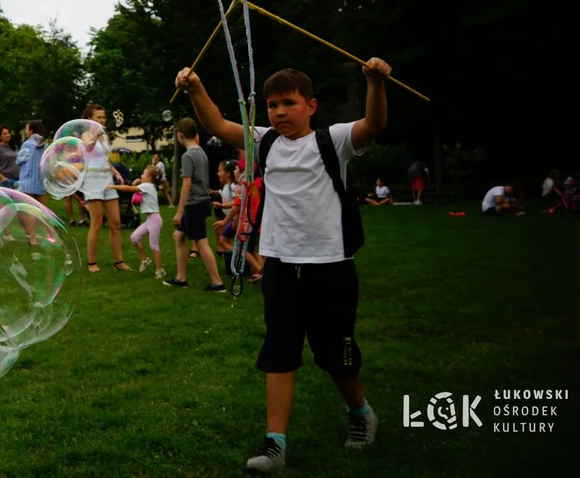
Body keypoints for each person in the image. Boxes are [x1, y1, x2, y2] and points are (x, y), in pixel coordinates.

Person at [176, 56, 390, 472]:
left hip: (331, 265)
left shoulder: (335, 139)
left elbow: (374, 124)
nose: (279, 112)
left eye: (288, 103)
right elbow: (218, 126)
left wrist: (376, 84)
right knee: (279, 350)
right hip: (280, 265)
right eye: (273, 106)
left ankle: (361, 413)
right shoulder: (265, 140)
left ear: (310, 105)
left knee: (336, 354)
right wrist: (194, 88)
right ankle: (275, 444)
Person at [165, 118, 225, 291]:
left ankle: (217, 282)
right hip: (203, 201)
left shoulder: (187, 155)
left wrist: (179, 211)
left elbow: (187, 184)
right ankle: (181, 278)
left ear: (180, 135)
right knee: (179, 236)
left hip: (195, 203)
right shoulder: (201, 152)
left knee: (201, 243)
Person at [78, 104, 130, 273]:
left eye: (103, 117)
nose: (102, 120)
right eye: (98, 117)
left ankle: (119, 261)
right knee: (97, 223)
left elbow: (105, 159)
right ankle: (92, 263)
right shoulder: (86, 134)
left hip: (107, 181)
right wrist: (95, 135)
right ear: (89, 119)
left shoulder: (105, 136)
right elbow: (88, 148)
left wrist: (115, 172)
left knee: (116, 222)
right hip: (92, 182)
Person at [108, 165, 166, 278]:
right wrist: (138, 181)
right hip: (150, 219)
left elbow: (130, 189)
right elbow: (134, 187)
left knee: (154, 246)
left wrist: (113, 186)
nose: (141, 175)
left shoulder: (148, 185)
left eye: (143, 174)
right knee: (134, 237)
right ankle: (144, 259)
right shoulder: (148, 185)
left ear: (149, 177)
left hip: (155, 219)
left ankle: (160, 270)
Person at [15, 120, 48, 201]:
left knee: (28, 209)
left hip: (26, 182)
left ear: (31, 131)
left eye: (27, 129)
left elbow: (19, 161)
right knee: (41, 209)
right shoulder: (45, 145)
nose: (26, 131)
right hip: (39, 182)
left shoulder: (27, 144)